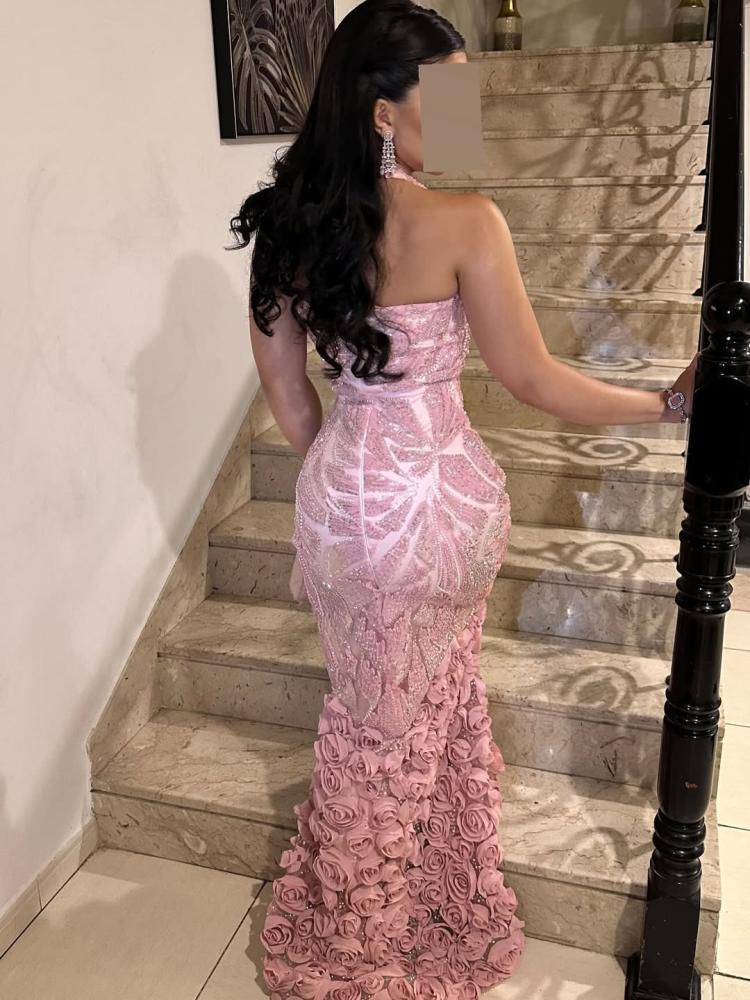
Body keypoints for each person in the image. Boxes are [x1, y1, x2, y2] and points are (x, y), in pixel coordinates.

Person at [227, 2, 697, 997]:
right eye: (449, 96)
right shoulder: (466, 221)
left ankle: (366, 914)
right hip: (440, 510)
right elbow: (532, 379)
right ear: (383, 112)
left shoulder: (284, 225)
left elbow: (287, 393)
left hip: (345, 507)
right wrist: (663, 406)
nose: (467, 115)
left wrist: (347, 477)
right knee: (424, 707)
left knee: (369, 716)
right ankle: (378, 931)